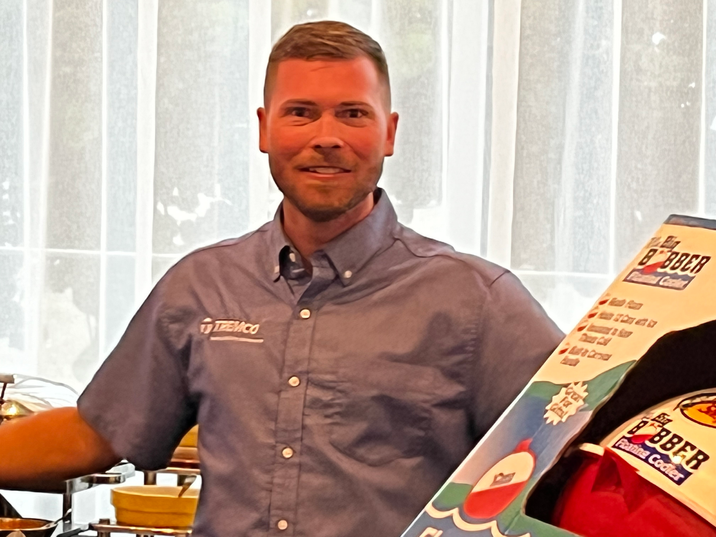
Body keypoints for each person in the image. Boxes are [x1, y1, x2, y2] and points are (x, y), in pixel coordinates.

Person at [0, 20, 562, 537]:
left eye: (353, 114)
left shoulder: (477, 302)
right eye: (301, 113)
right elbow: (98, 432)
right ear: (264, 128)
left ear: (389, 133)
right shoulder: (201, 286)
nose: (327, 136)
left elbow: (568, 455)